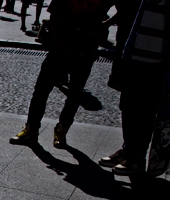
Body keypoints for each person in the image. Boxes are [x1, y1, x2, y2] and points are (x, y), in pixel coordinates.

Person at [10, 0, 114, 148]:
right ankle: (34, 130)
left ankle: (59, 130)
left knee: (73, 93)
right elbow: (53, 14)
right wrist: (57, 41)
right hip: (63, 47)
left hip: (84, 49)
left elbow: (125, 8)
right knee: (43, 89)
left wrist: (105, 25)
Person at [102, 0, 169, 175]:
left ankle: (135, 159)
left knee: (144, 112)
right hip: (135, 57)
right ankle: (128, 151)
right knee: (128, 106)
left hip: (156, 65)